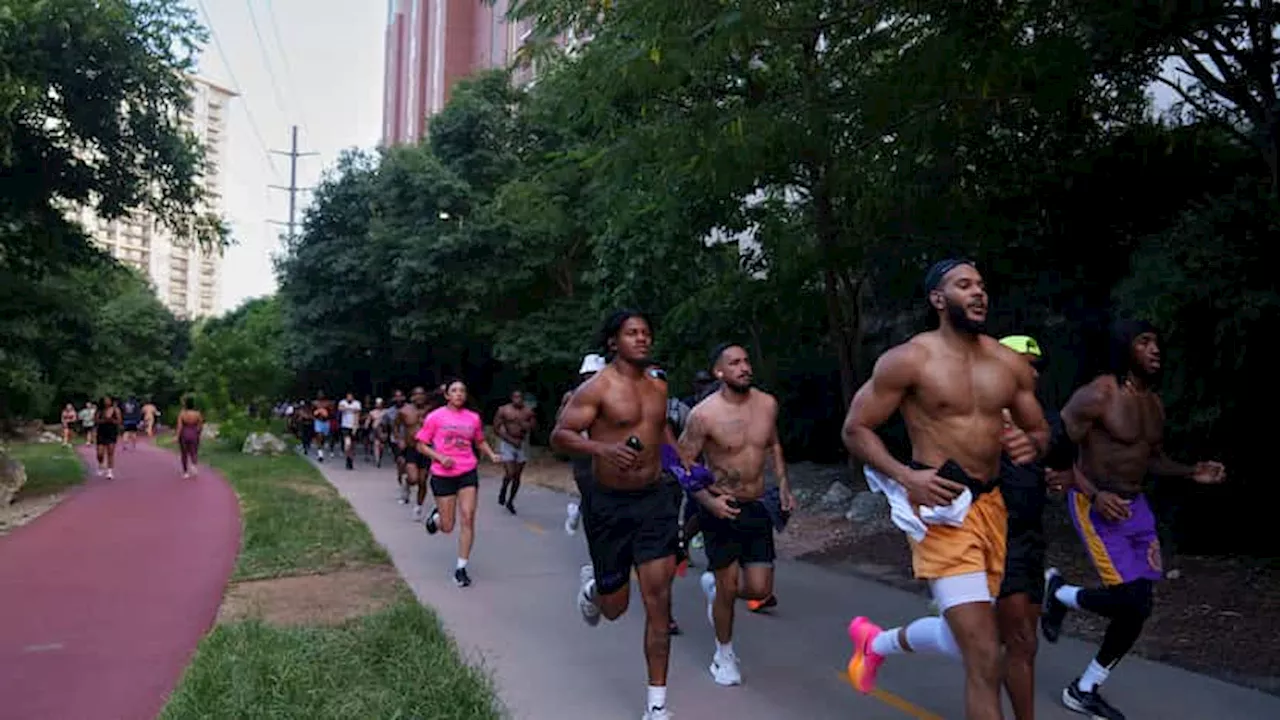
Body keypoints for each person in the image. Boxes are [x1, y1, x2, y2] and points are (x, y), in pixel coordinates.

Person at [841, 259, 1050, 720]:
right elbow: (856, 429)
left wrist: (1030, 442)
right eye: (964, 285)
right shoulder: (909, 359)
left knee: (968, 642)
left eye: (981, 284)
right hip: (941, 513)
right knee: (985, 656)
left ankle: (875, 642)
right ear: (938, 299)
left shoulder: (1007, 363)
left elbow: (1040, 431)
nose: (978, 293)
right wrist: (906, 475)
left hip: (994, 509)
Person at [1041, 319, 1225, 720]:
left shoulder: (1153, 404)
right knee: (1130, 600)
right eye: (1145, 342)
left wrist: (1191, 471)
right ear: (1126, 348)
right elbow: (1056, 444)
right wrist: (1092, 493)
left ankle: (1084, 687)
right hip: (1097, 506)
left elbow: (1151, 458)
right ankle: (1057, 594)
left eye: (1157, 343)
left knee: (1139, 607)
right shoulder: (1099, 394)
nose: (1155, 350)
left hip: (1136, 509)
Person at [551, 310, 680, 720]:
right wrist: (602, 449)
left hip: (654, 501)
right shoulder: (596, 388)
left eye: (646, 332)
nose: (642, 339)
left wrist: (687, 469)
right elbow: (560, 435)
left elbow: (663, 438)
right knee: (615, 608)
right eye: (632, 333)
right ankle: (594, 591)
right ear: (613, 342)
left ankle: (657, 708)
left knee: (659, 600)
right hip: (608, 505)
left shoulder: (659, 386)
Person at [677, 342, 796, 687]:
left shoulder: (767, 404)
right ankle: (724, 655)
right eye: (735, 363)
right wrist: (707, 500)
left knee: (759, 588)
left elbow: (772, 444)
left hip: (757, 504)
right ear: (719, 372)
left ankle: (715, 589)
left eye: (746, 361)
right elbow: (681, 465)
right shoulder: (703, 415)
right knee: (730, 587)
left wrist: (784, 485)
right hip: (721, 507)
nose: (744, 367)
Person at [993, 334, 1074, 720]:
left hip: (1031, 538)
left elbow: (1065, 465)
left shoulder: (1043, 419)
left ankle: (884, 642)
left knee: (1024, 643)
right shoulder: (980, 415)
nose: (1032, 373)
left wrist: (1064, 477)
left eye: (1037, 366)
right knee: (1017, 640)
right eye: (1024, 363)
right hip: (994, 537)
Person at [419, 379, 501, 587]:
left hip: (467, 472)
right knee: (447, 527)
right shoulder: (435, 417)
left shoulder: (473, 418)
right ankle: (437, 518)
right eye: (454, 391)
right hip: (442, 473)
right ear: (447, 395)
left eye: (462, 390)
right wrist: (439, 457)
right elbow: (421, 445)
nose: (458, 394)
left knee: (468, 517)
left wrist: (491, 454)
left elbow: (479, 440)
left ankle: (461, 568)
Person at [563, 354, 607, 535]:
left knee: (604, 504)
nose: (592, 377)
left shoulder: (614, 396)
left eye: (596, 373)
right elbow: (562, 428)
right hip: (584, 456)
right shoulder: (573, 397)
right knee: (592, 502)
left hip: (606, 455)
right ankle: (597, 559)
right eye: (589, 374)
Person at [494, 389, 537, 514]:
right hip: (508, 443)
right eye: (515, 397)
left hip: (521, 444)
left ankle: (510, 501)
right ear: (512, 398)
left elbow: (534, 426)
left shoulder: (528, 411)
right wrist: (510, 439)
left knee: (517, 476)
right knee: (510, 473)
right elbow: (496, 428)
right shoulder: (504, 410)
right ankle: (503, 489)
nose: (517, 399)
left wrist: (527, 426)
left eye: (520, 397)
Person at [394, 387, 432, 519]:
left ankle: (418, 507)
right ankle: (407, 483)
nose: (420, 397)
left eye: (422, 394)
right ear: (412, 397)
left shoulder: (430, 411)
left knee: (423, 480)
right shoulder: (404, 411)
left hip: (426, 449)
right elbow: (396, 426)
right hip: (411, 448)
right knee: (414, 478)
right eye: (417, 394)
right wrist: (399, 439)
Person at [95, 396, 124, 479]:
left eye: (108, 400)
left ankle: (110, 471)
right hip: (101, 432)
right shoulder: (100, 410)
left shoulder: (116, 410)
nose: (107, 402)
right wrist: (103, 420)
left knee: (110, 451)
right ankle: (100, 464)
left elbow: (119, 421)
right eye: (105, 400)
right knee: (100, 453)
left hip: (111, 431)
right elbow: (96, 420)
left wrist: (111, 420)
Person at [175, 397, 204, 479]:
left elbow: (179, 426)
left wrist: (177, 436)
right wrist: (198, 433)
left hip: (184, 433)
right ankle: (194, 465)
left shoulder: (182, 414)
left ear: (185, 404)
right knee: (194, 451)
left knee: (184, 453)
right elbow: (200, 425)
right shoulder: (197, 414)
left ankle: (185, 472)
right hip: (194, 433)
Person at [338, 391, 362, 470]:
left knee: (353, 446)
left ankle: (350, 460)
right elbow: (340, 408)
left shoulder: (357, 403)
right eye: (348, 396)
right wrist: (350, 408)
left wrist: (356, 426)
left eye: (350, 396)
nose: (349, 398)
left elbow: (357, 414)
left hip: (353, 426)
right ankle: (347, 458)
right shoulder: (343, 402)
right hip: (345, 426)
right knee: (347, 444)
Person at [312, 391, 333, 462]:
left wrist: (327, 412)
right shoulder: (314, 403)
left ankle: (323, 448)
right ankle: (320, 454)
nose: (320, 395)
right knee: (319, 436)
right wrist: (316, 414)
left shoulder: (328, 403)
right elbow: (312, 412)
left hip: (326, 421)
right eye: (319, 394)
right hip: (318, 421)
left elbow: (331, 412)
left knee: (324, 437)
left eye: (322, 394)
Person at [369, 398, 389, 468]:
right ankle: (377, 460)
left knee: (382, 446)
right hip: (375, 430)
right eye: (377, 403)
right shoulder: (372, 412)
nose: (378, 405)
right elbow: (369, 421)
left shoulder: (386, 412)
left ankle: (379, 457)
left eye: (380, 403)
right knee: (376, 444)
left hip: (383, 430)